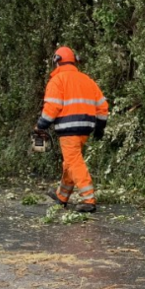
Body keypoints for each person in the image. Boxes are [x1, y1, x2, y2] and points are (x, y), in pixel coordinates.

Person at [34, 47, 109, 213]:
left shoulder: (57, 80)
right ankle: (62, 196)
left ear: (57, 61)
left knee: (74, 161)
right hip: (86, 128)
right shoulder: (87, 80)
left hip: (69, 128)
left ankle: (88, 199)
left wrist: (41, 125)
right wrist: (100, 127)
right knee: (70, 161)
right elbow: (103, 106)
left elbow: (52, 106)